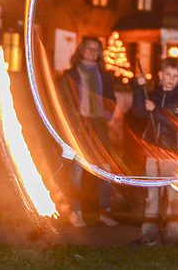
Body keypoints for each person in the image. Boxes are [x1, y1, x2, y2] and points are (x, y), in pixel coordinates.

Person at [59, 36, 118, 228]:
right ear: (82, 50)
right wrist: (72, 121)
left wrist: (106, 114)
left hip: (98, 128)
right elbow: (63, 102)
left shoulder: (104, 76)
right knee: (77, 171)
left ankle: (105, 212)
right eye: (89, 48)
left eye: (96, 49)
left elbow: (111, 99)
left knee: (105, 171)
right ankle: (75, 211)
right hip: (79, 128)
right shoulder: (71, 75)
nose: (93, 52)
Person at [132, 56, 178, 246]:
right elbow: (138, 112)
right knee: (152, 195)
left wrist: (156, 110)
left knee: (174, 195)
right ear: (160, 74)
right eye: (168, 74)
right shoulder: (153, 95)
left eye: (175, 75)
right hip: (152, 153)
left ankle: (172, 235)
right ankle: (149, 233)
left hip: (172, 154)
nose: (171, 79)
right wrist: (139, 89)